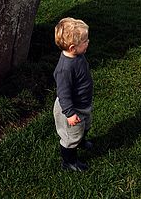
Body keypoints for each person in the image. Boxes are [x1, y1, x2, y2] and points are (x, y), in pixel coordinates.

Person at [53, 17, 93, 172]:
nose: (88, 42)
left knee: (85, 125)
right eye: (85, 41)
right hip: (71, 109)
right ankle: (69, 161)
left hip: (83, 104)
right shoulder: (65, 69)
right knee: (70, 137)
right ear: (72, 47)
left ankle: (81, 141)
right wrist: (69, 114)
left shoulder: (78, 56)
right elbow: (63, 94)